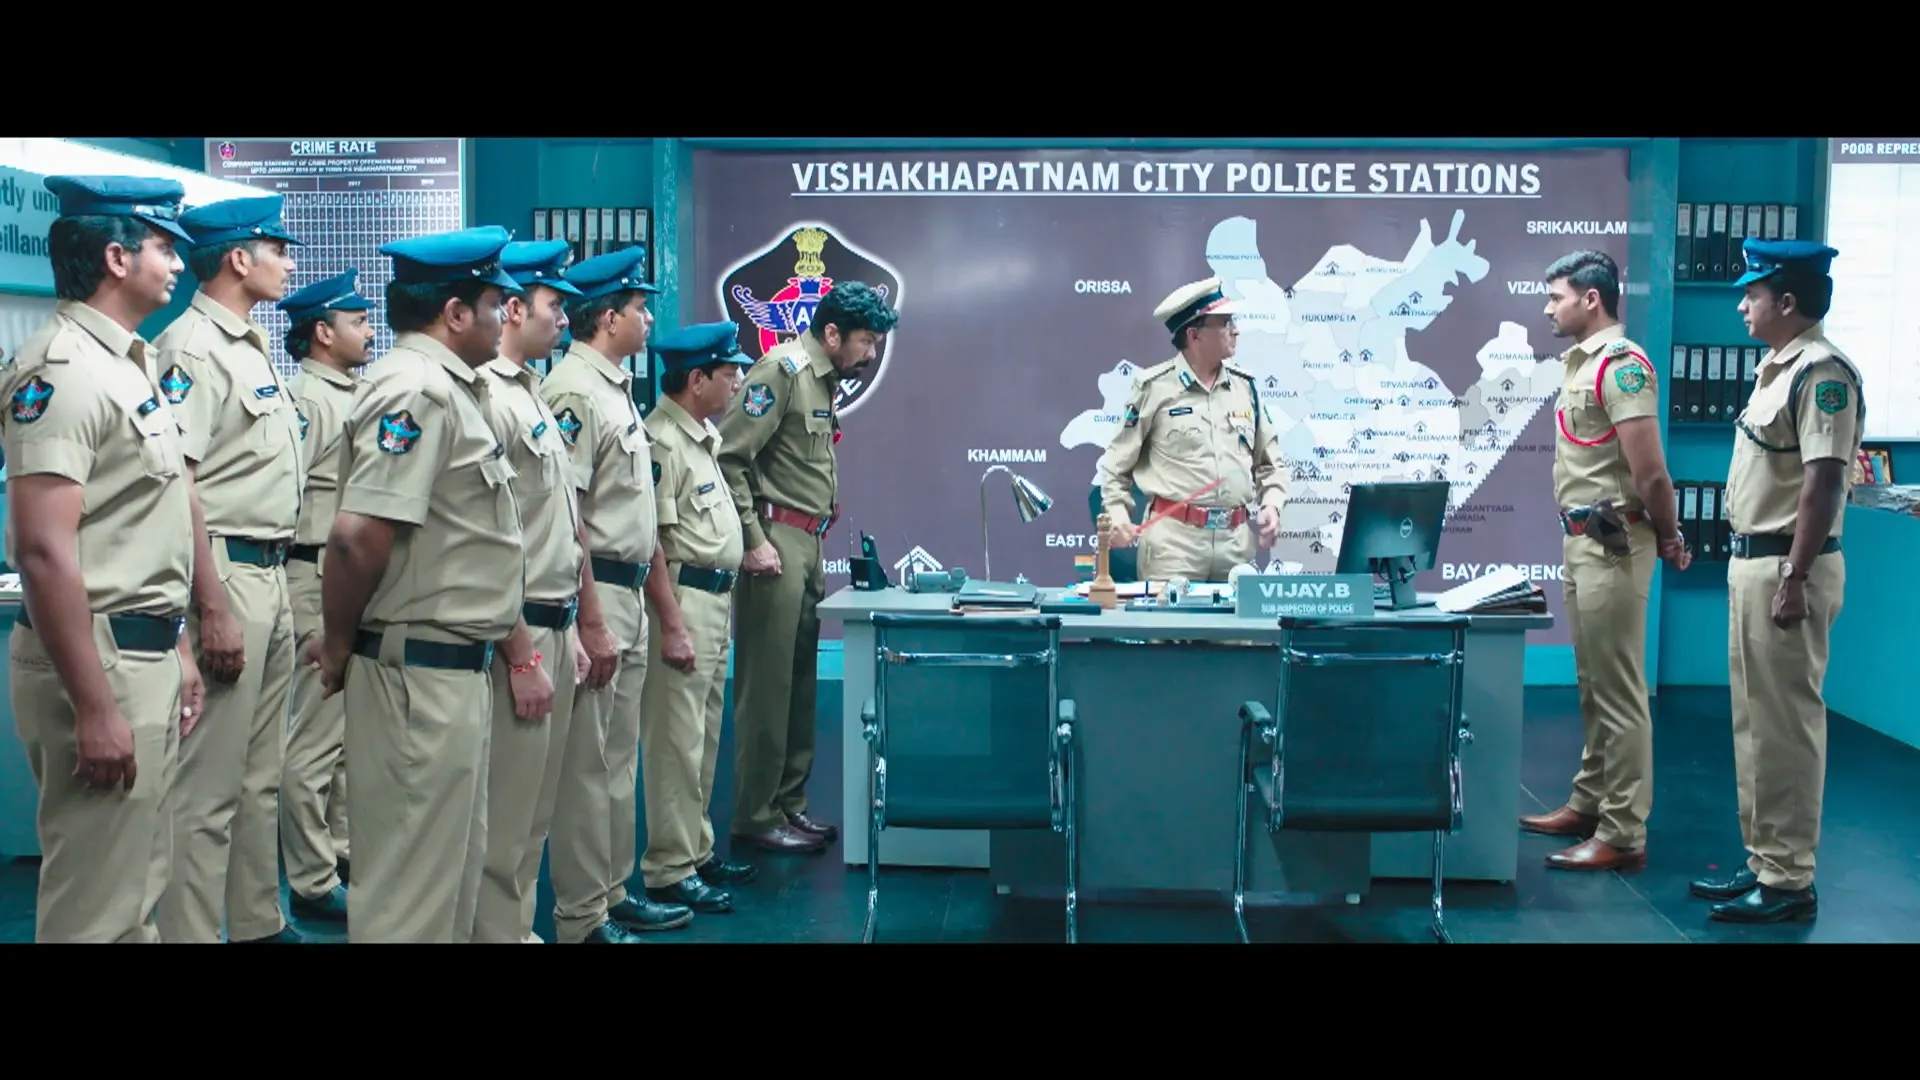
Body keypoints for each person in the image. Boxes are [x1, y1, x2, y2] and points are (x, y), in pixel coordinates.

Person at [312, 224, 549, 943]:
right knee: (409, 903)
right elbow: (356, 538)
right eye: (495, 304)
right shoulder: (416, 390)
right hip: (417, 676)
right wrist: (337, 645)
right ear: (454, 312)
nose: (504, 316)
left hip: (454, 671)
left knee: (449, 888)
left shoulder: (454, 389)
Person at [2, 175, 205, 943]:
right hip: (101, 664)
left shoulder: (125, 362)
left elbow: (138, 529)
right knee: (96, 909)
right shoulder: (61, 370)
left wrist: (177, 643)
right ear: (118, 259)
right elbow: (42, 549)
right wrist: (93, 706)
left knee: (134, 895)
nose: (178, 263)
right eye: (163, 247)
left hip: (141, 654)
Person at [1690, 238, 1863, 924]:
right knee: (1755, 723)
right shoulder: (1775, 369)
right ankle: (1765, 859)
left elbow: (1823, 483)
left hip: (1788, 568)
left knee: (1787, 726)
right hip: (1753, 564)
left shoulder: (1822, 374)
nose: (1742, 305)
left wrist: (1794, 574)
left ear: (1787, 301)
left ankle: (1790, 879)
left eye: (1753, 293)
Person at [152, 194, 305, 945]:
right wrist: (209, 606)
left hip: (269, 571)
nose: (289, 264)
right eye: (278, 250)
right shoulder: (191, 347)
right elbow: (179, 483)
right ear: (239, 258)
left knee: (259, 778)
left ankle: (255, 923)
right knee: (207, 789)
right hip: (227, 574)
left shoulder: (247, 343)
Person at [540, 244, 693, 942]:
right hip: (597, 590)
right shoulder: (573, 391)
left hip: (628, 591)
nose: (648, 318)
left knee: (617, 761)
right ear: (608, 318)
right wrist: (590, 618)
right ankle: (582, 913)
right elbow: (567, 513)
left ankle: (611, 889)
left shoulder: (612, 388)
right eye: (638, 307)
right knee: (588, 766)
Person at [1519, 250, 1690, 872]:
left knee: (1619, 691)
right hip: (1585, 540)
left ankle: (1623, 832)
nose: (1548, 308)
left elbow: (1651, 473)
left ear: (1592, 299)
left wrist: (1670, 536)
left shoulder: (1622, 367)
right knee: (1594, 682)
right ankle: (1590, 801)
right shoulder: (1582, 364)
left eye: (1556, 297)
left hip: (1616, 543)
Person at [717, 281, 898, 853]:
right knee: (767, 686)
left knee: (797, 683)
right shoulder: (781, 372)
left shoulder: (821, 379)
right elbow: (729, 458)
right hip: (773, 543)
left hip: (806, 541)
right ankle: (755, 815)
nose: (871, 353)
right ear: (832, 334)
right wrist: (752, 540)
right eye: (866, 341)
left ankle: (788, 805)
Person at [469, 239, 615, 944]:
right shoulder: (486, 396)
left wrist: (579, 624)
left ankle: (518, 931)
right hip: (516, 630)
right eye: (555, 305)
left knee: (535, 814)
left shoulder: (530, 391)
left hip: (554, 624)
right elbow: (489, 545)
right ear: (514, 309)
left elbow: (564, 522)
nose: (564, 319)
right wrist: (523, 651)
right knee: (503, 817)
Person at [638, 321, 760, 913]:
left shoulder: (700, 436)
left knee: (704, 738)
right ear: (696, 380)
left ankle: (696, 849)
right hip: (683, 600)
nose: (738, 383)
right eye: (729, 373)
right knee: (675, 742)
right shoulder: (662, 441)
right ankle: (668, 866)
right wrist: (673, 624)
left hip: (713, 600)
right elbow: (655, 543)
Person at [277, 268, 376, 922]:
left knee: (344, 737)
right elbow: (284, 492)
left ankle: (342, 855)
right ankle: (312, 880)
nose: (369, 330)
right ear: (322, 332)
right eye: (357, 321)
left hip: (349, 577)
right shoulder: (308, 400)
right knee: (313, 740)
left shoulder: (353, 393)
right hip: (315, 574)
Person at [1096, 277, 1287, 582]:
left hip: (1235, 546)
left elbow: (1270, 465)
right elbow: (1116, 467)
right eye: (1224, 323)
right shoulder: (1153, 388)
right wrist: (1118, 516)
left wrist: (1272, 505)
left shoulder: (1245, 388)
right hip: (1174, 548)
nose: (1235, 330)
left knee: (1238, 617)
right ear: (1194, 334)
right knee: (1171, 616)